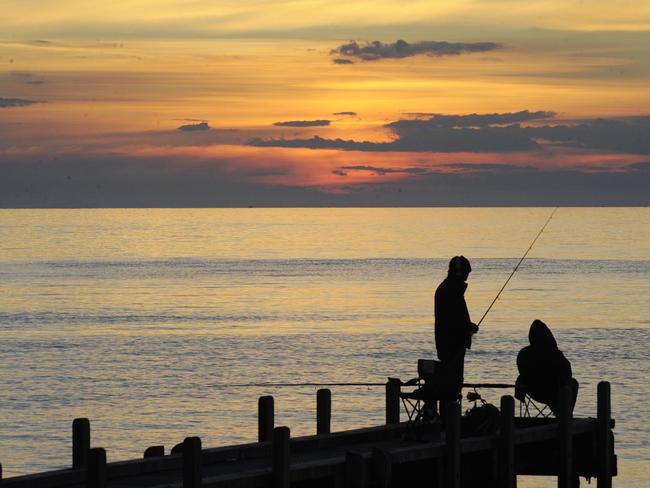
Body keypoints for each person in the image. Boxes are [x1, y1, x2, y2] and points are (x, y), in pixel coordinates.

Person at [434, 256, 479, 399]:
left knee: (451, 384)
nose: (467, 277)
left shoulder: (450, 288)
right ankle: (450, 418)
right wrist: (468, 327)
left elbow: (455, 318)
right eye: (466, 273)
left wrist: (468, 327)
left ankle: (450, 417)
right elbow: (453, 320)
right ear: (459, 272)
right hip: (452, 345)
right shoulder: (451, 290)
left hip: (449, 344)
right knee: (452, 384)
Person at [515, 319, 579, 416]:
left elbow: (522, 372)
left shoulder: (524, 353)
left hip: (533, 391)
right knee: (573, 383)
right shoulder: (553, 352)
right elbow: (568, 372)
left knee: (558, 393)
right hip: (553, 391)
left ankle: (561, 414)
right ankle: (566, 417)